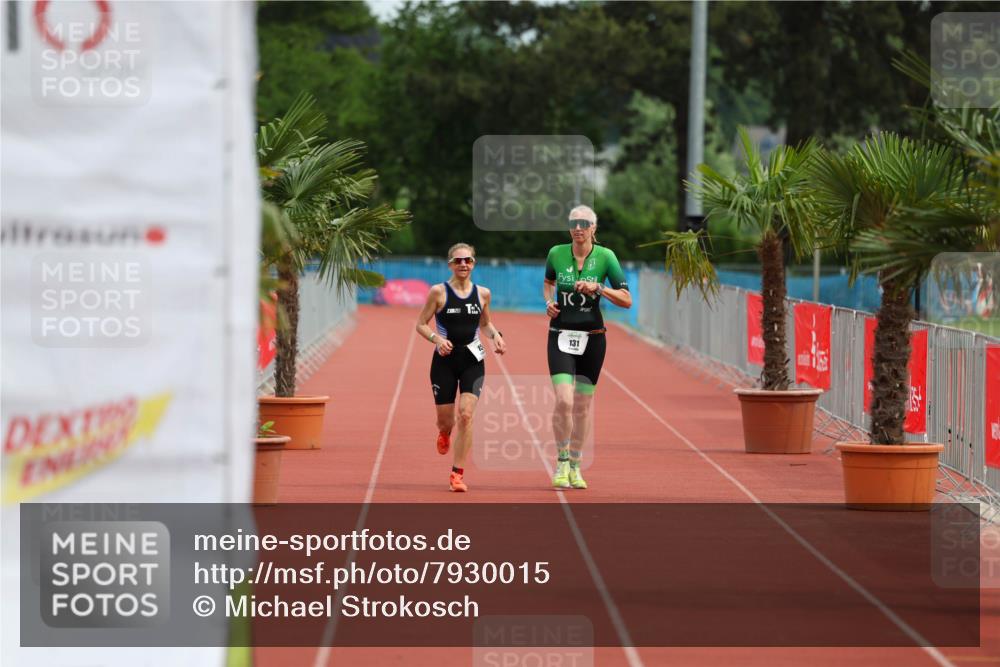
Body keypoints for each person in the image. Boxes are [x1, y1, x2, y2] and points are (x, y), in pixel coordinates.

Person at [543, 205, 631, 489]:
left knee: (581, 406)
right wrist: (548, 302)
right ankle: (562, 461)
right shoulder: (556, 252)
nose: (578, 228)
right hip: (560, 336)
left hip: (593, 337)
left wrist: (599, 289)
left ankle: (577, 465)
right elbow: (548, 281)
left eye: (584, 223)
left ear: (594, 228)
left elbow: (627, 299)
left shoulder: (606, 257)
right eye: (573, 223)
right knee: (564, 400)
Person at [416, 243, 506, 492]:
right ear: (450, 265)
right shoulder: (438, 292)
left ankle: (457, 474)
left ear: (474, 263)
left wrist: (496, 336)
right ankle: (444, 434)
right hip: (443, 362)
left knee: (466, 415)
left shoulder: (483, 294)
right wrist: (437, 339)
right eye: (458, 261)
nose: (463, 264)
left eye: (467, 260)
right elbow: (421, 324)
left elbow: (486, 324)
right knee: (446, 421)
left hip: (472, 361)